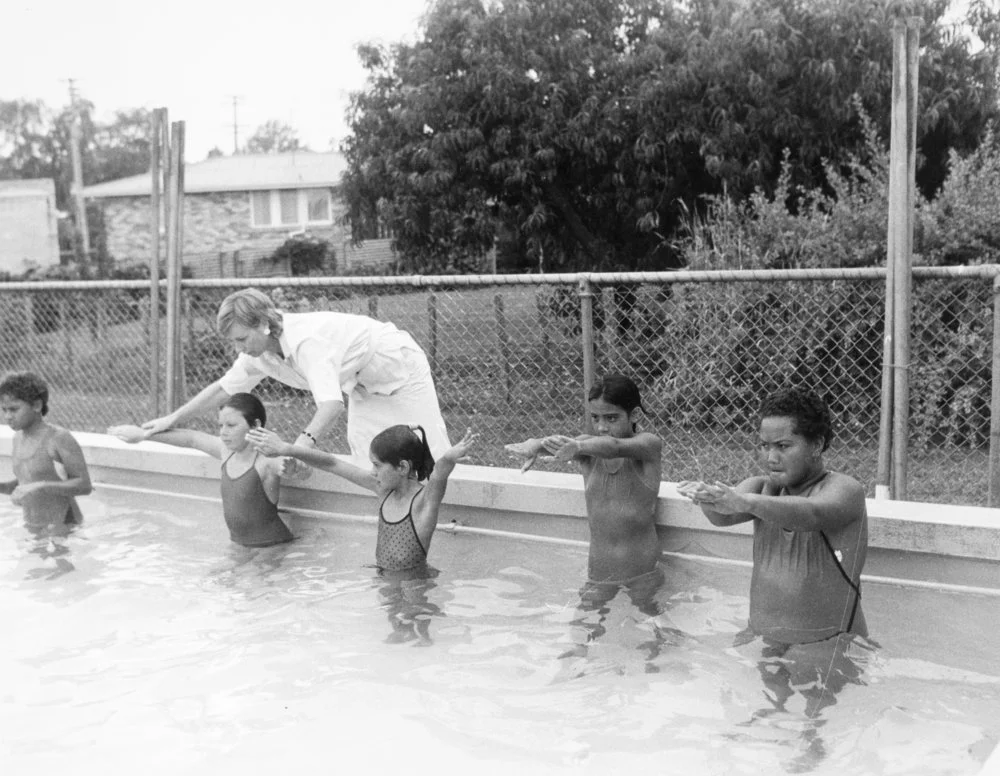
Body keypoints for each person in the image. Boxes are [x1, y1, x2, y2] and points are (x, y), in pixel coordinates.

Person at [677, 386, 872, 767]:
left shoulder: (845, 490)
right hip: (770, 635)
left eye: (783, 445)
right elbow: (724, 516)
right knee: (773, 698)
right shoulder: (759, 488)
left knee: (816, 725)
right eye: (764, 445)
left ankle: (811, 744)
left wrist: (746, 501)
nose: (771, 457)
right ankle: (772, 713)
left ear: (817, 443)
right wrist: (708, 499)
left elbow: (811, 514)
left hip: (828, 642)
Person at [138, 288, 451, 472]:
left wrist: (297, 448)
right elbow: (222, 389)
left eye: (242, 338)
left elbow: (330, 405)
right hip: (360, 382)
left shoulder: (306, 341)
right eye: (234, 342)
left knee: (429, 451)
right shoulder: (257, 354)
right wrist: (172, 418)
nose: (238, 348)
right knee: (371, 462)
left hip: (398, 366)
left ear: (262, 323)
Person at [505, 374, 671, 664]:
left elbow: (616, 447)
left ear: (633, 415)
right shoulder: (586, 448)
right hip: (600, 569)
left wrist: (579, 447)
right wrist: (535, 444)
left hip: (642, 567)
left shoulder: (648, 446)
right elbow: (562, 443)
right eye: (596, 418)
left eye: (611, 418)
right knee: (580, 630)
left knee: (653, 637)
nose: (602, 427)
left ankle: (654, 676)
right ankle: (578, 670)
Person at [248, 423, 477, 572]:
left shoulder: (422, 503)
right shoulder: (383, 490)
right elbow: (332, 463)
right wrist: (287, 448)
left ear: (402, 467)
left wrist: (449, 457)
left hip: (414, 589)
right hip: (385, 578)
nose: (372, 472)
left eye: (377, 465)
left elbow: (439, 476)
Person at [109, 392, 293, 548]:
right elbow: (191, 439)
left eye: (231, 425)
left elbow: (293, 467)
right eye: (220, 425)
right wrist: (144, 435)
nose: (223, 432)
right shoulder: (226, 451)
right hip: (241, 546)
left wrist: (293, 468)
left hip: (271, 547)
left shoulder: (267, 461)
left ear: (255, 426)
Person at [0, 371, 92, 529]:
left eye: (14, 409)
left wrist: (41, 485)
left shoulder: (58, 438)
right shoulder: (18, 438)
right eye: (4, 410)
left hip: (64, 526)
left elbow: (84, 486)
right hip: (33, 524)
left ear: (37, 405)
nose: (7, 416)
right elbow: (25, 484)